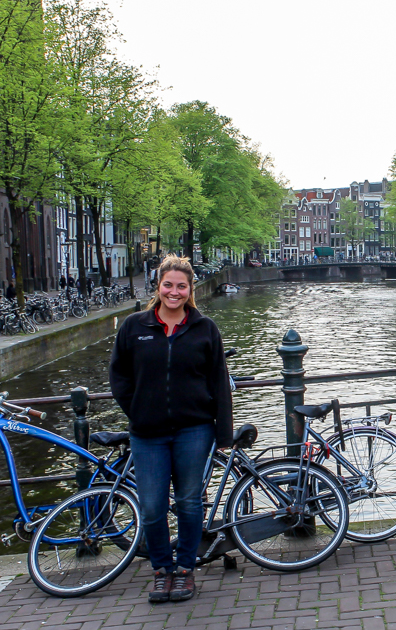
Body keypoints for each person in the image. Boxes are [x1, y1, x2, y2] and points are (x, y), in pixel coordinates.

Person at [109, 254, 232, 604]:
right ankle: (162, 571)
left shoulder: (205, 328)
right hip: (147, 433)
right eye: (168, 285)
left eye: (181, 286)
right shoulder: (135, 327)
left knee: (190, 502)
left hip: (194, 430)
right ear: (158, 286)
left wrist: (223, 433)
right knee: (151, 506)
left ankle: (185, 570)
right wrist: (136, 409)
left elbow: (218, 382)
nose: (174, 292)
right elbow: (119, 376)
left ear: (190, 289)